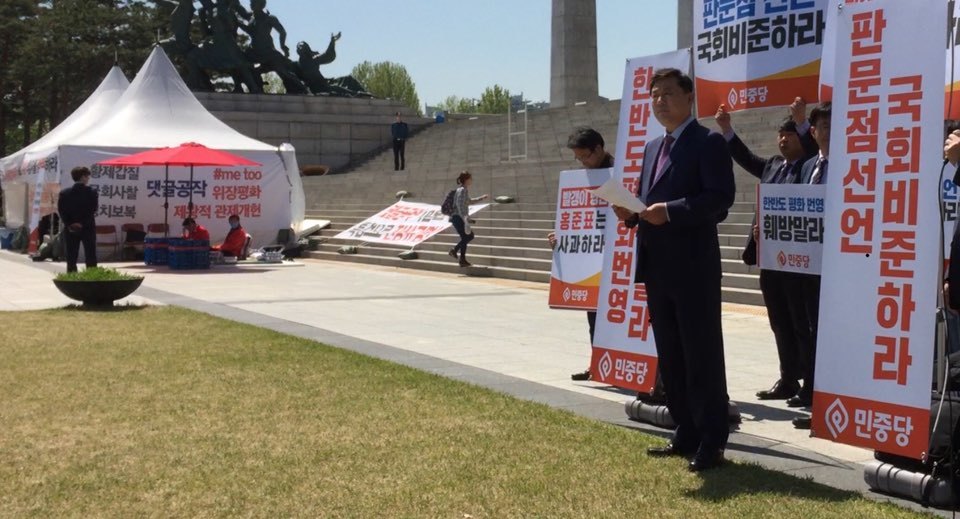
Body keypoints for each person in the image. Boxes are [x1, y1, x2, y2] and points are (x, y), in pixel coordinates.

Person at [612, 68, 735, 472]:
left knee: (702, 355)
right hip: (658, 266)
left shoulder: (709, 142)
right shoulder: (652, 148)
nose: (659, 100)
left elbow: (720, 199)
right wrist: (633, 214)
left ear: (689, 98)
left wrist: (672, 211)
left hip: (694, 267)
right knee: (672, 355)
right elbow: (651, 204)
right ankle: (685, 430)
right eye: (654, 95)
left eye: (667, 93)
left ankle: (712, 439)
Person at [716, 99, 818, 406]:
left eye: (791, 135)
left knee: (803, 324)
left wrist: (801, 120)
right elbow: (745, 158)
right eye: (781, 135)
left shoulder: (811, 166)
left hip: (800, 261)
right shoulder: (774, 165)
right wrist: (726, 129)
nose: (783, 139)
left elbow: (815, 151)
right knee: (779, 321)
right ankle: (787, 378)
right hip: (771, 259)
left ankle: (810, 382)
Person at [548, 127, 613, 381]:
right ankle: (597, 363)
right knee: (594, 317)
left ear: (599, 149)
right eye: (578, 159)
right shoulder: (581, 179)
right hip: (591, 262)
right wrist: (561, 238)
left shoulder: (619, 172)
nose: (583, 163)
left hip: (616, 260)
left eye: (585, 156)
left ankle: (622, 364)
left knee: (615, 317)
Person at [57, 166, 99, 273]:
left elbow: (61, 211)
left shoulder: (64, 193)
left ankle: (71, 278)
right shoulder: (92, 192)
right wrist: (82, 223)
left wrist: (70, 223)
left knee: (71, 255)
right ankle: (92, 277)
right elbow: (92, 210)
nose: (88, 178)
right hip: (88, 227)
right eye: (87, 176)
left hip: (70, 228)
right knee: (90, 254)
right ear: (83, 177)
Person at [448, 171, 488, 267]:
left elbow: (468, 201)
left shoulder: (461, 190)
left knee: (465, 238)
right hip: (458, 218)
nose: (471, 180)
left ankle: (462, 260)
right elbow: (460, 205)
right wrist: (465, 218)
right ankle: (454, 250)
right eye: (470, 178)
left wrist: (481, 198)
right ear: (466, 180)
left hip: (456, 217)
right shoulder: (463, 190)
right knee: (469, 236)